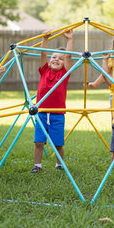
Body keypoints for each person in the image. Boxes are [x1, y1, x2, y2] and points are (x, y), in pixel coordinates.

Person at [32, 29, 73, 174]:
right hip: (41, 113)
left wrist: (69, 40)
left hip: (57, 114)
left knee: (58, 144)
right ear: (49, 61)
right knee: (39, 142)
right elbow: (43, 53)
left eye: (60, 59)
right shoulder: (44, 70)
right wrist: (45, 39)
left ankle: (59, 164)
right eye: (54, 57)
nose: (56, 59)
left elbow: (69, 57)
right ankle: (37, 165)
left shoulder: (64, 74)